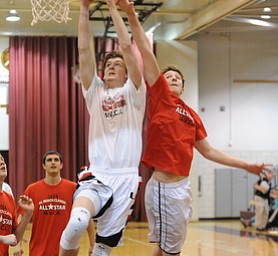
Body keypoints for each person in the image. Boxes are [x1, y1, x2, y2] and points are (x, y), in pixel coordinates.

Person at [116, 1, 272, 255]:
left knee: (168, 250)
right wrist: (132, 14)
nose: (173, 78)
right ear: (161, 84)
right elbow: (144, 49)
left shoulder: (192, 115)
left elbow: (209, 151)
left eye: (177, 77)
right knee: (172, 251)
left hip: (183, 187)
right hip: (164, 188)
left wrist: (247, 166)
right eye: (168, 76)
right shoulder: (161, 98)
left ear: (184, 87)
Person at [59, 0, 146, 255]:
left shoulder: (135, 93)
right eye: (107, 64)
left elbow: (128, 48)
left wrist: (111, 6)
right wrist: (84, 8)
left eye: (117, 65)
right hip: (97, 173)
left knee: (101, 249)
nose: (110, 66)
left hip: (125, 178)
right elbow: (84, 49)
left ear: (127, 73)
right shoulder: (95, 92)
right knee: (76, 224)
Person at [14, 150, 94, 256]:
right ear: (43, 165)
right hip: (38, 252)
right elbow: (21, 218)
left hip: (66, 251)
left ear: (61, 165)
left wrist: (93, 245)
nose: (53, 162)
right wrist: (18, 245)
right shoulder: (32, 189)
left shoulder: (73, 188)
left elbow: (86, 216)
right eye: (49, 160)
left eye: (56, 160)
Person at [0, 153, 34, 256]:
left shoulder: (9, 198)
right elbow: (6, 239)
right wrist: (1, 238)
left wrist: (28, 214)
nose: (2, 162)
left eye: (2, 160)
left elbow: (15, 238)